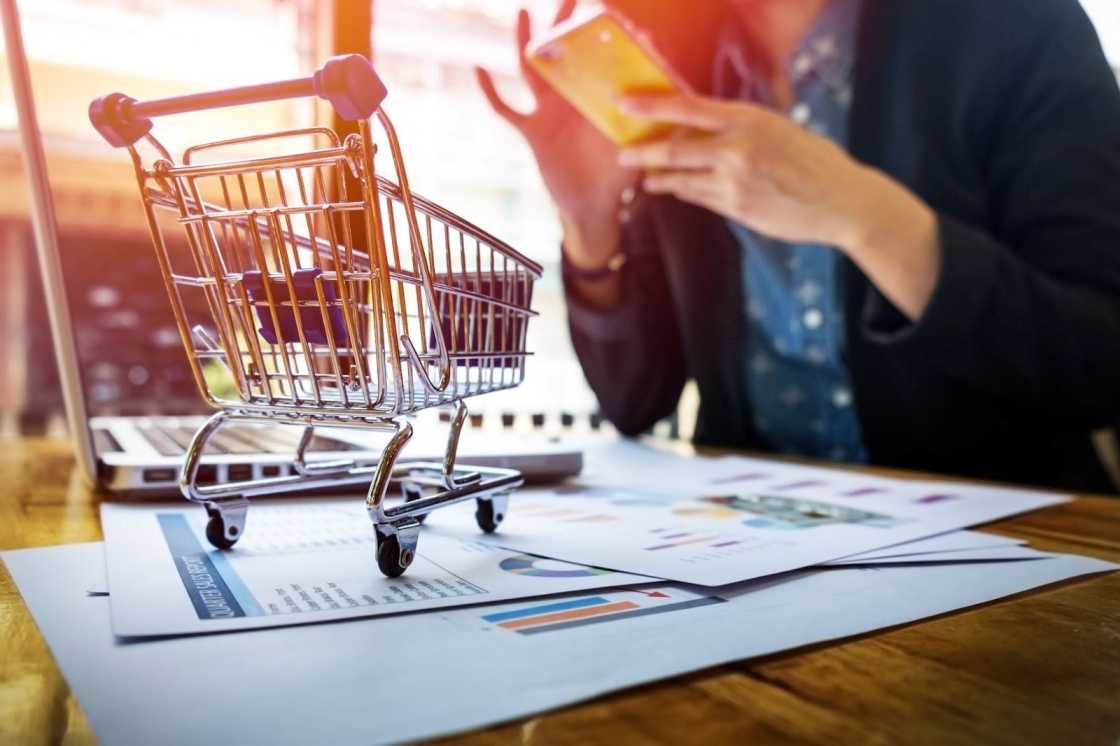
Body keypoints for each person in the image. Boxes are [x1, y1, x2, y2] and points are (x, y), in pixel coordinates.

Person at [476, 0, 1120, 492]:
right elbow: (635, 401)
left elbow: (1098, 363)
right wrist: (589, 219)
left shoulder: (1016, 25)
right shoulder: (675, 63)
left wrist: (866, 216)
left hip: (1009, 549)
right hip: (761, 543)